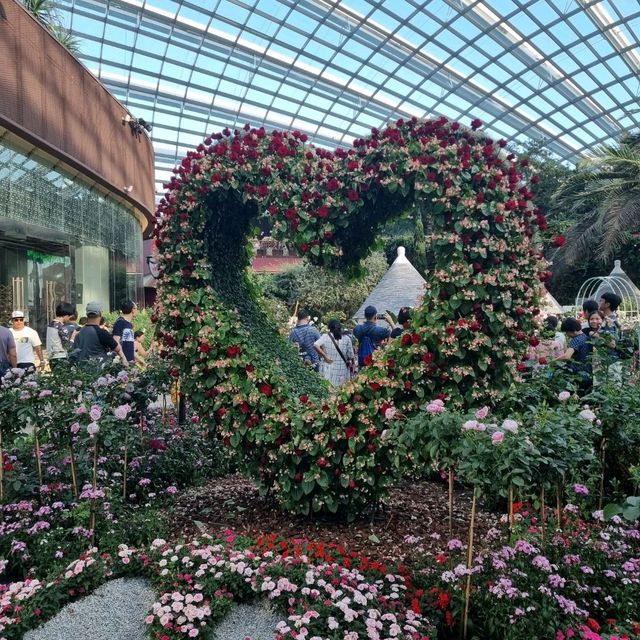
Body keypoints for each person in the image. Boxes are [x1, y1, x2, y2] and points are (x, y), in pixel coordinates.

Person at [72, 302, 129, 367]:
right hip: (97, 371)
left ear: (87, 314)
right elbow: (117, 348)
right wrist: (124, 359)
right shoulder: (101, 332)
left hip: (80, 371)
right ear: (100, 314)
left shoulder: (79, 331)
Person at [314, 320, 355, 386]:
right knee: (341, 390)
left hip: (328, 369)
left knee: (328, 389)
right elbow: (351, 355)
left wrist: (325, 356)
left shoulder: (325, 337)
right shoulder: (346, 338)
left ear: (329, 327)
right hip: (342, 370)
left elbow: (315, 345)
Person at [556, 317, 592, 392]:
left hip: (578, 375)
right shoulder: (585, 337)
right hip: (588, 374)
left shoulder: (576, 340)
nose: (567, 334)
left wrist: (553, 361)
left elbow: (567, 356)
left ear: (572, 330)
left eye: (567, 332)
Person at [46, 302, 75, 367]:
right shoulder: (61, 327)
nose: (69, 319)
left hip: (51, 357)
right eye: (69, 316)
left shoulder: (50, 325)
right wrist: (73, 337)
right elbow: (67, 346)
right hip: (60, 357)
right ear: (66, 315)